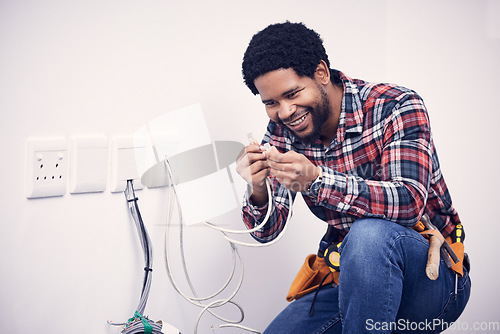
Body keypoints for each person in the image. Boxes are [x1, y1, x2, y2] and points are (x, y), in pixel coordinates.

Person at [236, 22, 471, 334]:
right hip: (352, 277)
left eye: (292, 94)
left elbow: (409, 203)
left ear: (321, 73)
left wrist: (316, 179)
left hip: (433, 276)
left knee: (369, 235)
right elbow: (266, 233)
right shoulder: (282, 130)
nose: (286, 111)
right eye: (271, 102)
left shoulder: (396, 105)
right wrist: (258, 188)